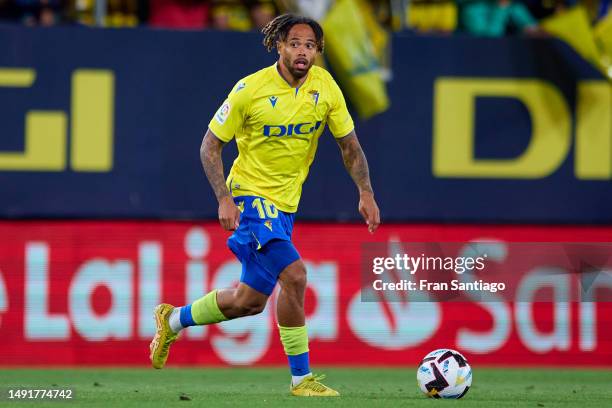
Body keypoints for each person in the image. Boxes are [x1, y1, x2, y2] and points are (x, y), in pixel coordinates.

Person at [149, 13, 381, 397]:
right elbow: (210, 145)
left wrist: (366, 192)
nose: (302, 51)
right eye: (295, 43)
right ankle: (301, 379)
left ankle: (171, 319)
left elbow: (350, 146)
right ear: (279, 46)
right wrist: (224, 197)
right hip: (250, 197)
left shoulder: (326, 88)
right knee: (295, 275)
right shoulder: (249, 90)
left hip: (285, 206)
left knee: (248, 301)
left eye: (310, 45)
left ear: (318, 51)